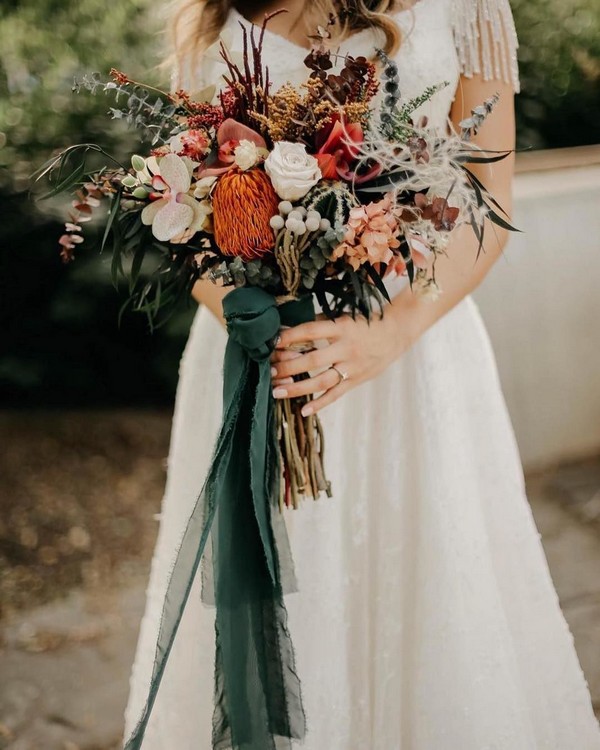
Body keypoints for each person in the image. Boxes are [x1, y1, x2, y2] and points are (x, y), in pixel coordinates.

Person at [124, 1, 600, 747]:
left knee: (429, 595)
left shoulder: (469, 8)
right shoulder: (214, 20)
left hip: (414, 354)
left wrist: (389, 332)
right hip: (261, 358)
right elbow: (178, 212)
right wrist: (242, 306)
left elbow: (488, 201)